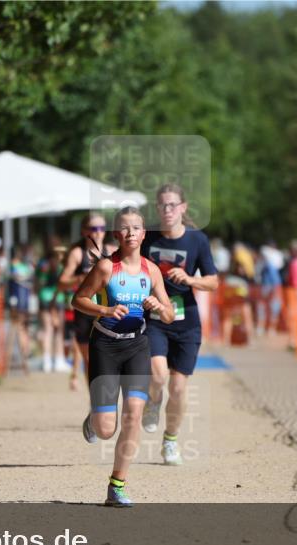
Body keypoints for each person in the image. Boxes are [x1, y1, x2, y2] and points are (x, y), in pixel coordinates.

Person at [72, 207, 175, 507]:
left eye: (136, 228)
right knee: (106, 430)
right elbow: (77, 299)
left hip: (137, 345)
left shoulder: (151, 271)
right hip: (105, 345)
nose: (130, 233)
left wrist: (158, 305)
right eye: (125, 228)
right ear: (117, 234)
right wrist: (104, 310)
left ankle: (117, 485)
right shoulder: (106, 267)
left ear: (144, 234)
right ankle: (94, 420)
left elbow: (169, 315)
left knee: (133, 414)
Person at [141, 184, 219, 465]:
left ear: (183, 208)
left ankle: (170, 440)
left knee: (178, 388)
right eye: (162, 205)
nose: (167, 210)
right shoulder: (146, 238)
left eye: (173, 205)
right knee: (158, 374)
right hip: (155, 318)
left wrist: (190, 280)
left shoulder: (197, 240)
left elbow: (213, 281)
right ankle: (152, 401)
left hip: (187, 323)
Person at [59, 213, 109, 387]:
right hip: (85, 312)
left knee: (109, 359)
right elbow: (62, 282)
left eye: (102, 228)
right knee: (89, 361)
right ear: (84, 231)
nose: (98, 232)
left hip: (108, 311)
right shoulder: (78, 254)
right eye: (93, 229)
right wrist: (80, 278)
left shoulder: (111, 250)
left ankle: (104, 403)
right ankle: (95, 403)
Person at [36, 243, 70, 372]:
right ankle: (58, 360)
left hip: (44, 297)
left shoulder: (42, 264)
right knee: (58, 330)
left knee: (47, 329)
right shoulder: (61, 265)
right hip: (58, 298)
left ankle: (46, 360)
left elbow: (38, 282)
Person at [6, 245, 35, 374]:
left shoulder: (25, 266)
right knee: (19, 327)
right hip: (18, 302)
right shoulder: (15, 266)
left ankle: (25, 355)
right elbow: (17, 277)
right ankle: (23, 357)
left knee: (23, 327)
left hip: (24, 301)